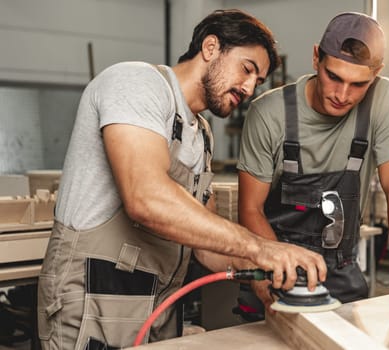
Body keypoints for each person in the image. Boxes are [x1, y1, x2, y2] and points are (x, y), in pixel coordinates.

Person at [37, 9, 327, 350]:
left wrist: (268, 273)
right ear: (210, 47)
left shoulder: (201, 135)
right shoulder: (136, 84)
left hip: (160, 310)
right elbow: (145, 198)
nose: (249, 88)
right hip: (93, 304)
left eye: (258, 82)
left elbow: (203, 245)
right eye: (247, 69)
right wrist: (261, 247)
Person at [236, 12, 389, 322]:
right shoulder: (269, 114)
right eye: (334, 77)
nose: (342, 95)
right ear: (316, 58)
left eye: (358, 84)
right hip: (275, 267)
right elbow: (250, 209)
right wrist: (276, 267)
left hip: (341, 273)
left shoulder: (383, 98)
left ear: (376, 74)